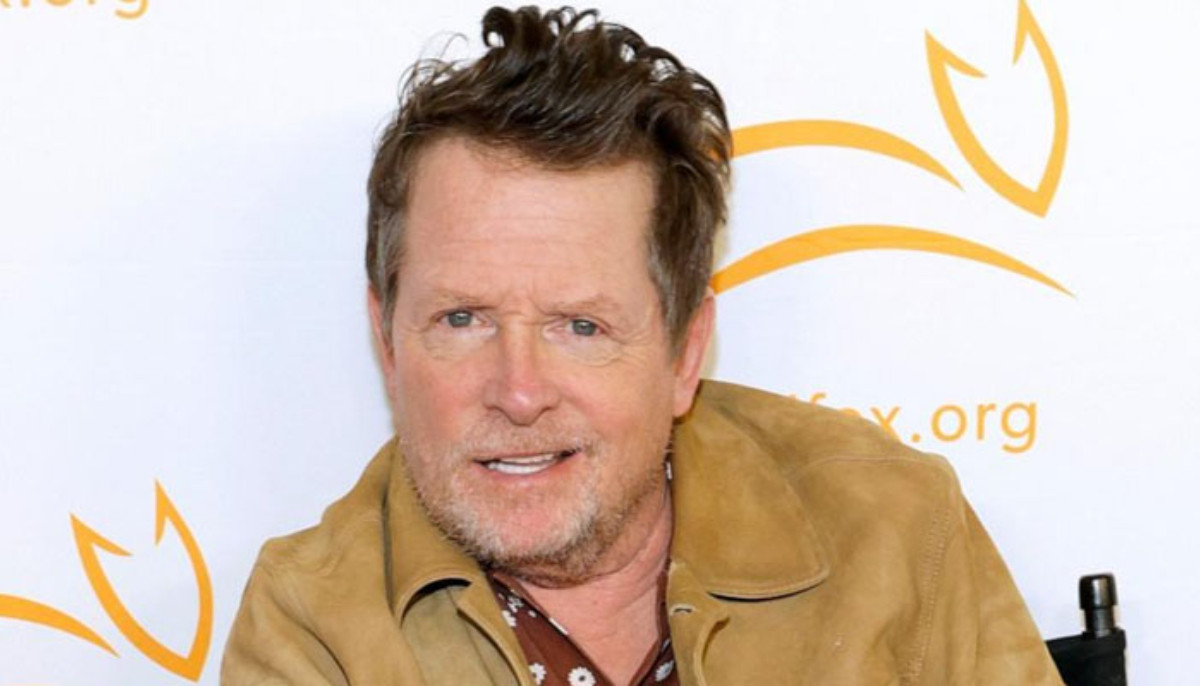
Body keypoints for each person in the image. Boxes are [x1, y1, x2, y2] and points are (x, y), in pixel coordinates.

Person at [222, 6, 1064, 685]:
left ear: (686, 353)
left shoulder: (893, 529)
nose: (519, 392)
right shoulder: (313, 626)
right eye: (463, 320)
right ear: (388, 341)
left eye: (580, 327)